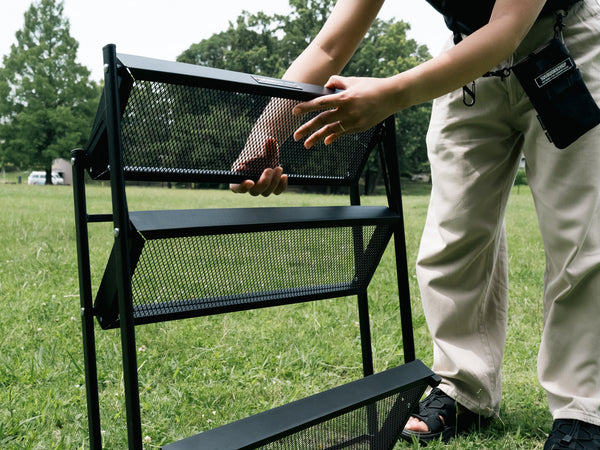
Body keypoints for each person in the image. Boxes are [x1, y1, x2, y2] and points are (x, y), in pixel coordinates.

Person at [231, 0, 600, 448]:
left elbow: (506, 29)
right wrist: (262, 137)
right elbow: (329, 45)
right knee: (453, 235)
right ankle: (463, 388)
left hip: (565, 43)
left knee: (582, 238)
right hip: (466, 58)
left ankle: (585, 409)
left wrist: (393, 94)